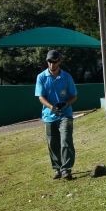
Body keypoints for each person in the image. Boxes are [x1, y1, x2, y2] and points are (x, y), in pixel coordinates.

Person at [35, 50, 78, 180]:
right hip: (49, 115)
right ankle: (57, 169)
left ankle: (66, 169)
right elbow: (40, 97)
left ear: (60, 61)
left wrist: (63, 104)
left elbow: (74, 96)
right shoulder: (41, 77)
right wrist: (52, 107)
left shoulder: (67, 77)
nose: (51, 64)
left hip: (65, 114)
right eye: (49, 62)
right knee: (52, 143)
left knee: (65, 139)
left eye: (54, 62)